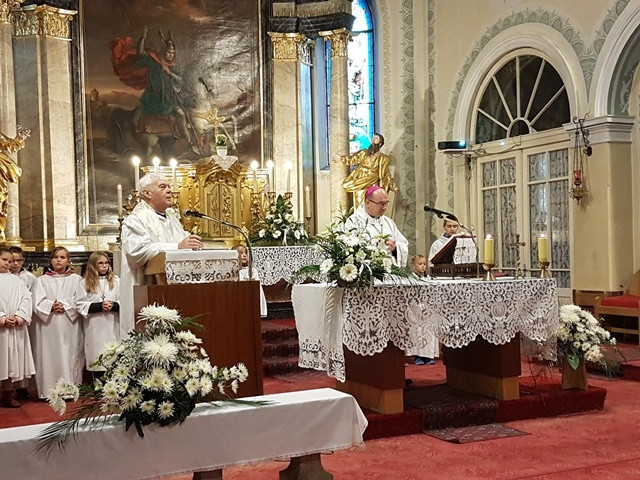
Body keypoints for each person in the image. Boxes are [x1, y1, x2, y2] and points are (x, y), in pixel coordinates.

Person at [120, 172, 202, 336]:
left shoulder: (171, 218)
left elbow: (181, 242)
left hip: (175, 290)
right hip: (146, 288)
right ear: (147, 193)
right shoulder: (136, 219)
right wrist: (177, 247)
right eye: (163, 187)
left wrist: (191, 244)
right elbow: (136, 252)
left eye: (169, 186)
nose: (169, 190)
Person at [32, 247, 88, 400]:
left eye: (62, 257)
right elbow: (37, 302)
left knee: (70, 354)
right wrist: (51, 306)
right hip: (48, 325)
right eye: (55, 257)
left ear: (68, 261)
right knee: (48, 355)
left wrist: (65, 305)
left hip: (69, 323)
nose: (58, 260)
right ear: (51, 260)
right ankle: (48, 390)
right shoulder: (41, 280)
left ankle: (70, 389)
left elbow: (81, 300)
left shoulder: (77, 280)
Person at [0, 246, 35, 407]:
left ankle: (8, 395)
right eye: (4, 260)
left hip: (12, 327)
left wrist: (19, 317)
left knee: (9, 362)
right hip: (2, 327)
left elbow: (26, 299)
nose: (8, 263)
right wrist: (2, 317)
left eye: (10, 261)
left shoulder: (16, 280)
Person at [344, 185, 409, 266]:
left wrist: (395, 248)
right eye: (381, 204)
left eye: (386, 203)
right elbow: (350, 249)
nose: (384, 207)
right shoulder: (353, 222)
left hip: (390, 271)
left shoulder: (388, 222)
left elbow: (404, 244)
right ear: (367, 202)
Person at [79, 252, 120, 374]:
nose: (104, 266)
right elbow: (80, 304)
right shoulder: (84, 283)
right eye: (100, 263)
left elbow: (124, 299)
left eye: (106, 263)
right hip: (94, 327)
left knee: (113, 358)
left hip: (112, 324)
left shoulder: (116, 281)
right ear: (93, 265)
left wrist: (114, 305)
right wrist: (99, 306)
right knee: (96, 357)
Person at [332, 133, 398, 206]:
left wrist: (392, 186)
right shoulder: (363, 153)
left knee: (372, 200)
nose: (373, 140)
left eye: (376, 139)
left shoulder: (383, 158)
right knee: (359, 198)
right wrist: (341, 158)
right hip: (360, 178)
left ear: (380, 143)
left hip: (373, 180)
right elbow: (352, 160)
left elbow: (386, 173)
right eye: (373, 138)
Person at [8, 246, 37, 400]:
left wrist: (20, 315)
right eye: (12, 260)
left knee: (22, 351)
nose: (15, 264)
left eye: (19, 260)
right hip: (6, 320)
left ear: (23, 261)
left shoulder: (30, 278)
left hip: (23, 321)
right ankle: (6, 387)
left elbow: (32, 299)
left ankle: (22, 387)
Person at [406, 254, 438, 366]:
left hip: (427, 309)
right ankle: (418, 356)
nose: (423, 266)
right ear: (413, 266)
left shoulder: (428, 278)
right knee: (418, 332)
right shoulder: (410, 279)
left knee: (428, 331)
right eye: (420, 264)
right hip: (415, 310)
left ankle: (428, 356)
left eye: (424, 264)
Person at [235, 245, 267, 318]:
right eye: (241, 253)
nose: (244, 255)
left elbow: (258, 290)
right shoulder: (233, 271)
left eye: (245, 253)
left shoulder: (252, 271)